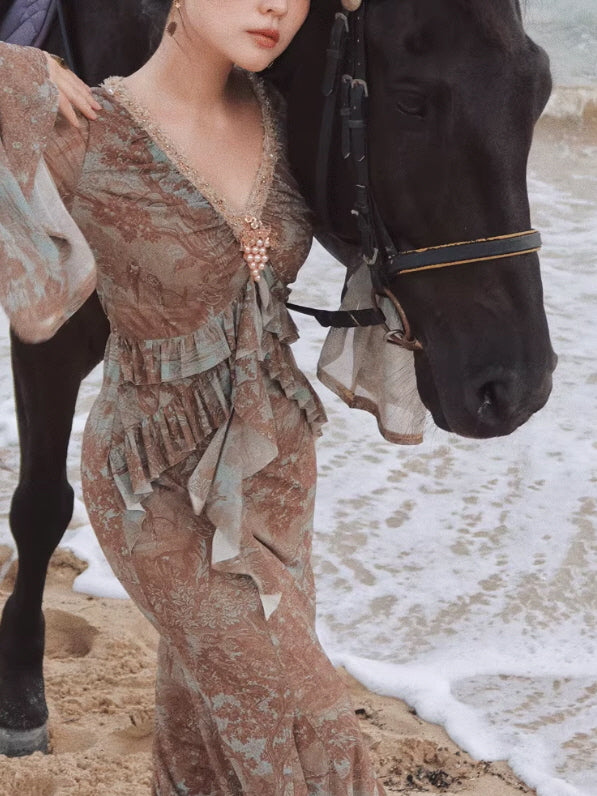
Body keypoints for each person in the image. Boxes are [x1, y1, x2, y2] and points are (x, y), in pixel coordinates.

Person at [0, 1, 387, 792]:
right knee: (302, 710)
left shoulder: (295, 119)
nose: (277, 4)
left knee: (200, 711)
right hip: (150, 481)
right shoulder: (75, 120)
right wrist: (9, 65)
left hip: (276, 465)